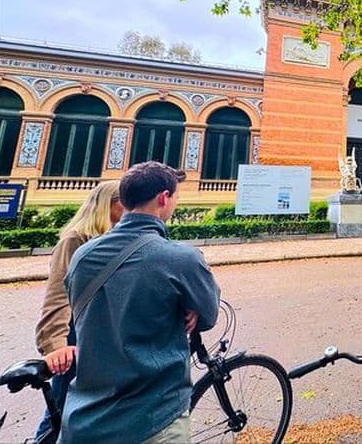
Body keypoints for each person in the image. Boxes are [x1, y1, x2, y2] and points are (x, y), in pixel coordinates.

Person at [59, 162, 221, 443]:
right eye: (176, 197)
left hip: (85, 419)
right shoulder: (180, 258)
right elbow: (208, 315)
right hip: (154, 418)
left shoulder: (82, 255)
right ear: (163, 198)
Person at [33, 180, 124, 442]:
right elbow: (57, 296)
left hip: (101, 335)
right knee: (61, 412)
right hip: (75, 340)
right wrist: (55, 344)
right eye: (125, 202)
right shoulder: (75, 239)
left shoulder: (114, 239)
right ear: (112, 204)